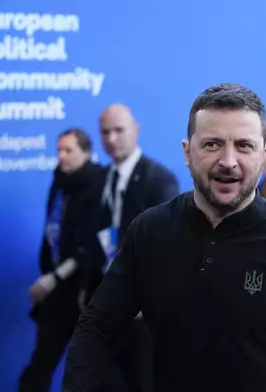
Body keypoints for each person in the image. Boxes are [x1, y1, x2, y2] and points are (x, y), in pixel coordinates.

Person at [62, 83, 266, 392]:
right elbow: (98, 328)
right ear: (187, 152)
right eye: (212, 144)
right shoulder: (150, 232)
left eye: (244, 145)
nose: (228, 160)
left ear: (264, 155)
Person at [96, 103, 179, 392]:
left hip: (143, 311)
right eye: (105, 132)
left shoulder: (159, 179)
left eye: (119, 130)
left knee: (143, 382)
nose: (111, 138)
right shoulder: (101, 179)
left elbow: (169, 246)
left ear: (136, 130)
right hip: (107, 305)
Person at [18, 128, 103, 392]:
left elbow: (91, 240)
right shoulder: (59, 181)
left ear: (86, 153)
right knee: (40, 364)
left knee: (91, 369)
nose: (62, 156)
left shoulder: (100, 183)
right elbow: (52, 231)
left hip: (86, 288)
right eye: (59, 150)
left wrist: (55, 278)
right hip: (56, 290)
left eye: (68, 150)